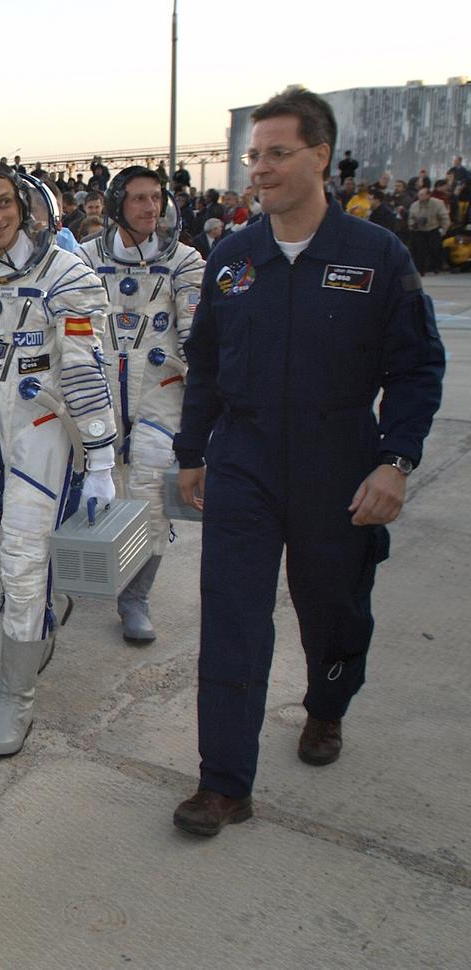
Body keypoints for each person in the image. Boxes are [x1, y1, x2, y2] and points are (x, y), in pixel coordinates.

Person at [172, 89, 445, 837]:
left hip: (340, 462)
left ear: (319, 155)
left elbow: (418, 368)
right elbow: (204, 367)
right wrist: (192, 454)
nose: (259, 168)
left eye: (276, 153)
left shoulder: (376, 255)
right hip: (246, 461)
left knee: (333, 611)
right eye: (253, 154)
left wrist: (395, 460)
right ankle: (224, 781)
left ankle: (327, 705)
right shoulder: (231, 260)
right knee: (232, 620)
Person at [0, 161, 117, 756]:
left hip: (39, 429)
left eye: (3, 203)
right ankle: (35, 623)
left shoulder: (66, 272)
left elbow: (85, 365)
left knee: (23, 559)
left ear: (25, 204)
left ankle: (16, 697)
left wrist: (102, 457)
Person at [79, 166, 205, 643]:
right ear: (116, 205)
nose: (150, 208)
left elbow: (196, 335)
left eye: (156, 198)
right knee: (88, 489)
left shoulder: (185, 262)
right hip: (96, 392)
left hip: (159, 394)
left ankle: (135, 597)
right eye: (139, 199)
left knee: (150, 493)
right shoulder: (84, 259)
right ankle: (77, 573)